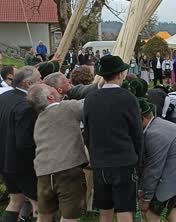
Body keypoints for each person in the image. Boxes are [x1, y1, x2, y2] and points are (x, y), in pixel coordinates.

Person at [83, 55, 143, 222]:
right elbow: (137, 134)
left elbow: (87, 133)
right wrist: (138, 159)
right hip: (123, 161)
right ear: (120, 74)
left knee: (105, 210)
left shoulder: (91, 98)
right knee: (124, 210)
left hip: (100, 162)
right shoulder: (128, 98)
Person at [27, 84, 87, 222]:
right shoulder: (67, 107)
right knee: (70, 217)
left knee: (44, 215)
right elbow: (90, 105)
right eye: (52, 88)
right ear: (51, 97)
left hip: (43, 173)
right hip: (67, 169)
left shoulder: (39, 120)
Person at [0, 66, 42, 222]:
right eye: (39, 79)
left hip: (4, 160)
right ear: (28, 84)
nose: (42, 82)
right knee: (40, 206)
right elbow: (24, 143)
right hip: (22, 165)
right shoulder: (27, 106)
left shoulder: (4, 97)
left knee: (16, 201)